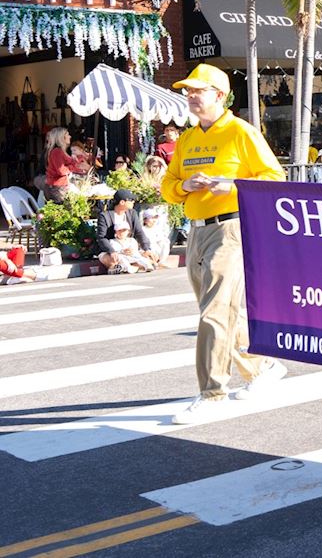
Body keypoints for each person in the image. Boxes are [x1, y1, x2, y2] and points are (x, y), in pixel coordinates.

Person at [162, 63, 286, 425]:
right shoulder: (187, 139)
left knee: (213, 312)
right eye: (187, 91)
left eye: (197, 90)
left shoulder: (241, 132)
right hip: (196, 232)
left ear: (219, 95)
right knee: (221, 309)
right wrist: (184, 186)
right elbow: (168, 186)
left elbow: (274, 177)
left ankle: (212, 393)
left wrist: (230, 186)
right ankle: (262, 366)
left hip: (231, 228)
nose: (190, 96)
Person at [96, 188, 160, 274]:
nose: (133, 202)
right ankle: (128, 267)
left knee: (151, 257)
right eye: (131, 200)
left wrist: (146, 248)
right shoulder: (105, 216)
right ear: (122, 202)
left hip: (130, 249)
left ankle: (128, 268)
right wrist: (112, 251)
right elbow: (101, 237)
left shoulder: (132, 213)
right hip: (113, 249)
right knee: (112, 260)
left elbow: (139, 232)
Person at [45, 127, 89, 203]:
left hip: (59, 187)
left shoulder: (61, 151)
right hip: (57, 188)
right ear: (62, 138)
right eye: (68, 135)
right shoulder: (57, 151)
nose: (70, 136)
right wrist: (74, 166)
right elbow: (62, 171)